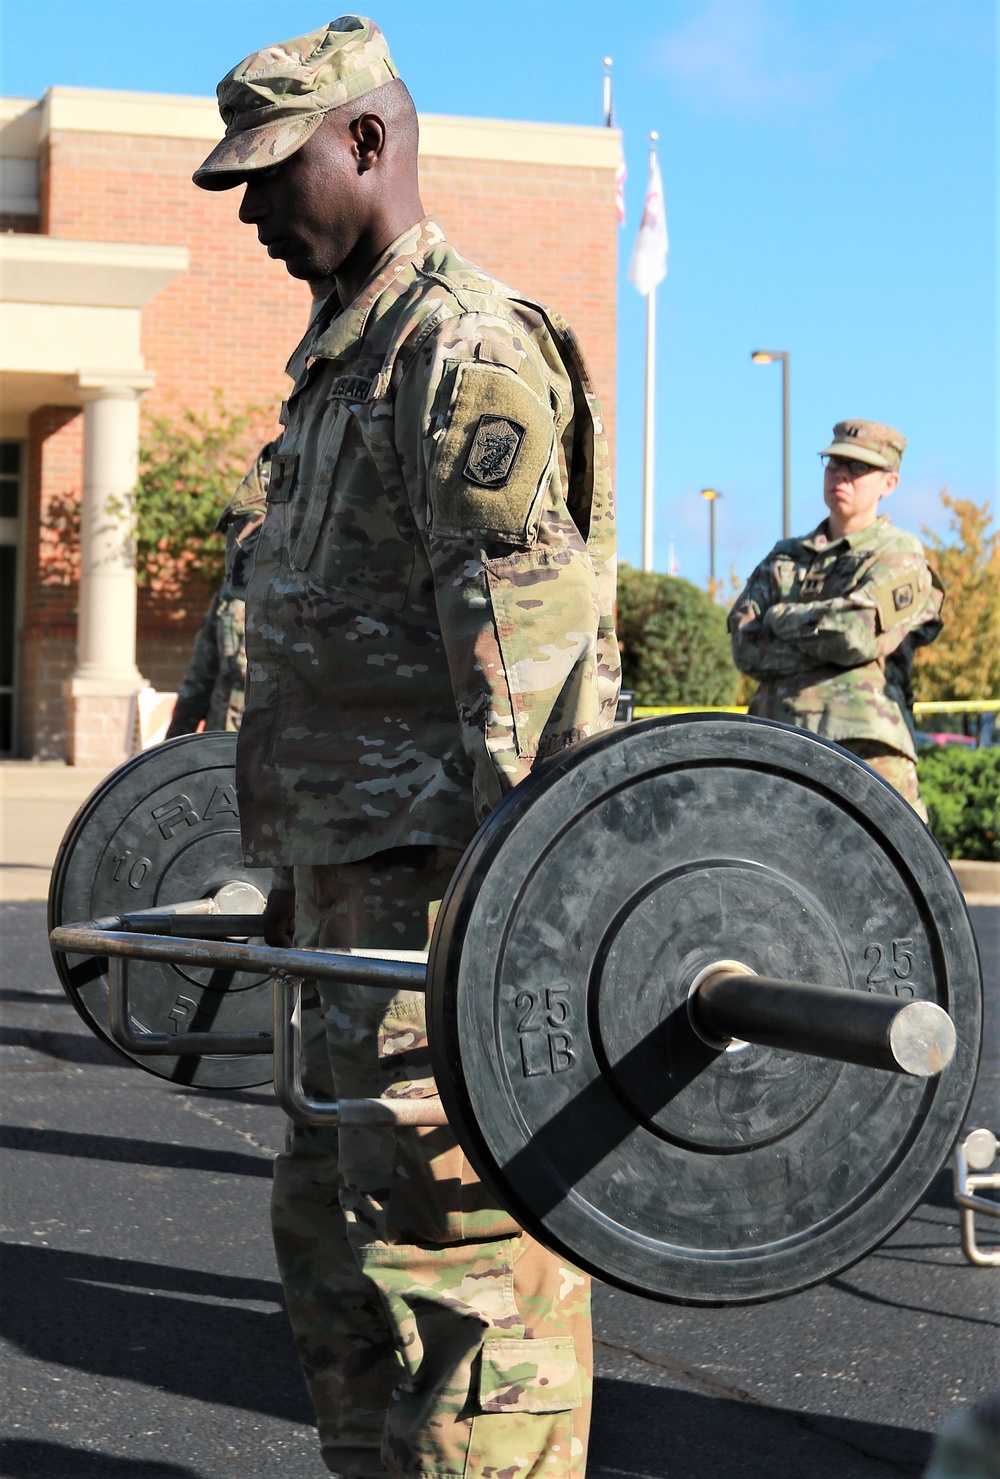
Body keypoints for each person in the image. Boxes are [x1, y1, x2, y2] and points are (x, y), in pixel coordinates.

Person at [192, 17, 619, 1479]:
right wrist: (293, 883)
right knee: (337, 1270)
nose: (249, 209)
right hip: (344, 922)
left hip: (449, 927)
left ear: (365, 141)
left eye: (269, 170)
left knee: (467, 1292)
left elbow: (544, 699)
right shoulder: (341, 368)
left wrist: (533, 968)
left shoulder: (465, 351)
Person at [729, 419, 944, 819]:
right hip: (777, 741)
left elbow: (856, 635)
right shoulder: (785, 557)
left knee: (882, 878)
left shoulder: (899, 554)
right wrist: (824, 632)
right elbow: (744, 646)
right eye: (834, 464)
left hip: (866, 748)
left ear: (889, 483)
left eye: (859, 467)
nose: (842, 474)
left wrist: (778, 618)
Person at [164, 448, 270, 738]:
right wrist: (172, 751)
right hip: (221, 749)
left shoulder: (310, 593)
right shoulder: (230, 593)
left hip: (275, 752)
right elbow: (200, 676)